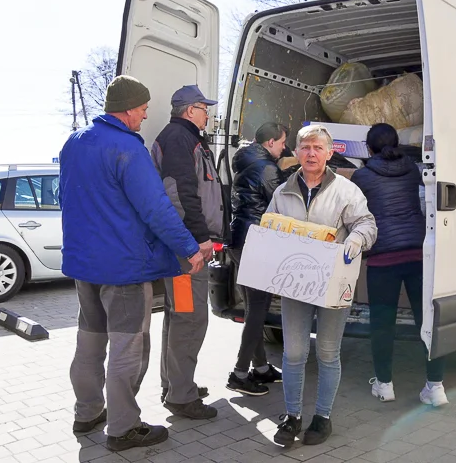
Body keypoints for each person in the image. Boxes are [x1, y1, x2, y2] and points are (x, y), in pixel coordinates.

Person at [60, 75, 204, 452]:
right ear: (126, 109)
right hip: (123, 268)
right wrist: (189, 249)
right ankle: (123, 427)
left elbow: (69, 198)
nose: (144, 116)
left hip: (83, 264)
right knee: (129, 347)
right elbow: (156, 208)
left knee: (89, 340)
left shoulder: (74, 143)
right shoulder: (127, 148)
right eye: (142, 109)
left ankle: (87, 411)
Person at [268, 124, 377, 447]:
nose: (311, 153)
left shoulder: (346, 190)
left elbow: (366, 223)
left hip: (333, 281)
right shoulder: (282, 191)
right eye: (305, 147)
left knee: (328, 353)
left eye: (318, 148)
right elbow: (270, 225)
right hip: (295, 282)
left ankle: (323, 416)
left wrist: (356, 240)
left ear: (330, 153)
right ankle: (291, 416)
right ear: (297, 153)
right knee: (295, 352)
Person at [350, 123, 448, 407]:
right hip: (418, 254)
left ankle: (385, 384)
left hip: (383, 258)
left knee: (383, 324)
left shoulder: (362, 176)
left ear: (368, 148)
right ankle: (436, 386)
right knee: (426, 320)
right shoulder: (413, 170)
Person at [151, 84, 223, 420]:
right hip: (187, 250)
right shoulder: (180, 138)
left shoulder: (185, 138)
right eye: (204, 108)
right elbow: (181, 193)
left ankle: (177, 383)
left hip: (182, 246)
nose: (208, 113)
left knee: (179, 315)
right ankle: (181, 395)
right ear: (190, 110)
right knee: (190, 317)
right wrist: (199, 238)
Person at [226, 122, 290, 396]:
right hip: (256, 243)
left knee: (254, 305)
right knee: (258, 308)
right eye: (282, 142)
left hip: (239, 239)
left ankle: (261, 368)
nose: (284, 147)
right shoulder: (267, 168)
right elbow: (282, 204)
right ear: (270, 143)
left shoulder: (245, 161)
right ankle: (239, 374)